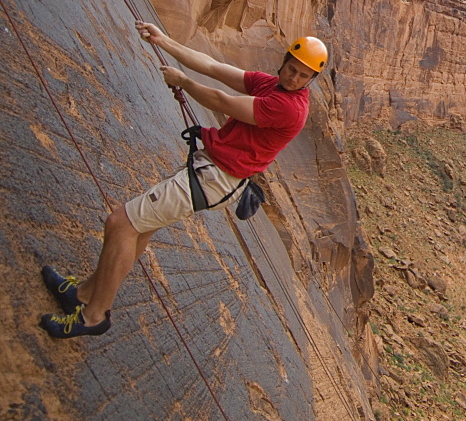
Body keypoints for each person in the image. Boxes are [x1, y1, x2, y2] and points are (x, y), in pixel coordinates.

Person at [39, 21, 328, 339]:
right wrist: (164, 41)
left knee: (121, 223)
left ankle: (94, 317)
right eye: (292, 68)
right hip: (213, 172)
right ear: (284, 62)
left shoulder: (288, 107)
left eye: (303, 75)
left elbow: (223, 101)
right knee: (141, 227)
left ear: (311, 80)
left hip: (215, 179)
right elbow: (214, 67)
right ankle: (81, 296)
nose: (294, 77)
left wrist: (183, 82)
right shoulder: (271, 85)